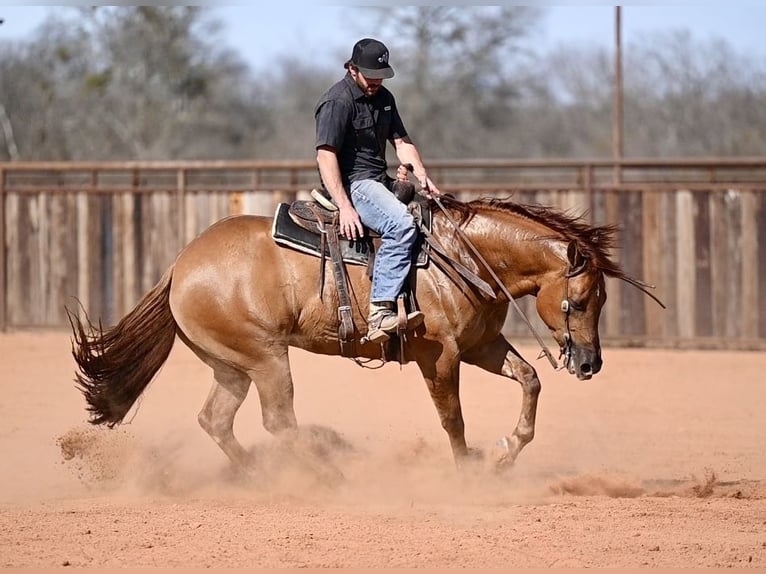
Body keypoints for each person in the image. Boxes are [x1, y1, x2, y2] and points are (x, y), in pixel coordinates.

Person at [314, 37, 442, 344]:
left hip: (377, 180)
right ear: (352, 67)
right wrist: (345, 206)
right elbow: (325, 155)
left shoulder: (384, 97)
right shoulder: (338, 102)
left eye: (380, 75)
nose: (375, 81)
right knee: (400, 225)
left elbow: (401, 142)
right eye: (370, 74)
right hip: (354, 184)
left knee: (432, 214)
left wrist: (421, 174)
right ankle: (380, 311)